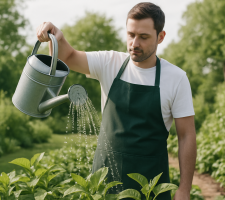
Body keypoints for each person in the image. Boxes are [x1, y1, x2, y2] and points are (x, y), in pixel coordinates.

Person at [36, 2, 196, 200]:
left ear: (160, 37)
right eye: (131, 34)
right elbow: (67, 57)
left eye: (144, 37)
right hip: (105, 182)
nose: (134, 43)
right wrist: (55, 36)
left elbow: (187, 135)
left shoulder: (176, 78)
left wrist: (184, 189)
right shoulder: (110, 63)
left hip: (150, 185)